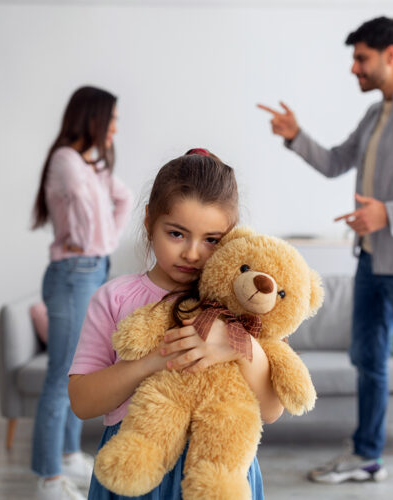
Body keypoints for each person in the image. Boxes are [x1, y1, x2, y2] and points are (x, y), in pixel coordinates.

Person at [258, 16, 393, 500]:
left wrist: (389, 214)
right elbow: (336, 161)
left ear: (391, 55)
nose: (354, 68)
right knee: (368, 361)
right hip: (371, 263)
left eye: (362, 59)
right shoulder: (378, 113)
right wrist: (295, 135)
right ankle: (367, 456)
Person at [68, 149, 283, 500]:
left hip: (220, 472)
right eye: (177, 234)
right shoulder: (115, 298)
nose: (193, 253)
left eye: (212, 240)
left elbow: (272, 410)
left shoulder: (245, 301)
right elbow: (81, 402)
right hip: (137, 466)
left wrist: (236, 343)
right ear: (150, 221)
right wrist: (155, 358)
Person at [31, 86, 134, 500]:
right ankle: (48, 478)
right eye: (111, 119)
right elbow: (94, 233)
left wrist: (105, 241)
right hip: (74, 271)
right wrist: (105, 241)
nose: (115, 127)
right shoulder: (66, 162)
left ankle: (70, 452)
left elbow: (123, 199)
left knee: (81, 370)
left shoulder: (88, 166)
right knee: (60, 378)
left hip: (90, 268)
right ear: (91, 118)